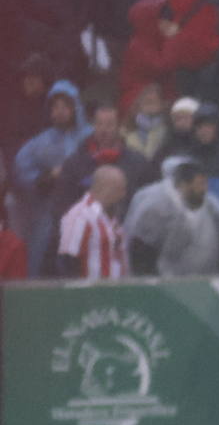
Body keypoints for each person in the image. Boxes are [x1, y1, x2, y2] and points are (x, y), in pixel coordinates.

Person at [13, 79, 88, 276]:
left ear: (75, 107)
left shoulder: (89, 136)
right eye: (55, 107)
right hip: (50, 210)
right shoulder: (42, 141)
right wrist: (45, 177)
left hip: (84, 207)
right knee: (44, 255)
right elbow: (21, 168)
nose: (60, 111)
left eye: (65, 106)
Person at [126, 157, 219, 276]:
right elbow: (141, 251)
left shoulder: (210, 203)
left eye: (205, 183)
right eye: (200, 184)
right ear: (183, 185)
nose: (205, 189)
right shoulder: (157, 207)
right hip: (168, 285)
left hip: (206, 281)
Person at [57, 103, 151, 220]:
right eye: (99, 123)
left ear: (119, 126)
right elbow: (62, 206)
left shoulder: (137, 162)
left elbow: (146, 203)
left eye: (109, 124)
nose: (103, 130)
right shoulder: (75, 163)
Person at [56, 165, 127, 280]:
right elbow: (68, 261)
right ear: (106, 188)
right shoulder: (80, 215)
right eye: (119, 189)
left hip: (115, 292)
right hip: (93, 293)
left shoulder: (111, 215)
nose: (123, 194)